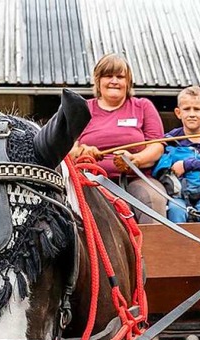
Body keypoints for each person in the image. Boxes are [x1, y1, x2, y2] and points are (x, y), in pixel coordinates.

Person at [71, 54, 166, 223]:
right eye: (108, 76)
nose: (114, 81)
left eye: (120, 77)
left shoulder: (143, 106)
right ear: (98, 81)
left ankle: (154, 249)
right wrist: (82, 152)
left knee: (154, 198)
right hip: (93, 180)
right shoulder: (83, 109)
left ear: (128, 82)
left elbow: (156, 146)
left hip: (137, 178)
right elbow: (68, 149)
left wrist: (135, 159)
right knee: (112, 208)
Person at [155, 86, 200, 223]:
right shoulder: (171, 138)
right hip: (178, 194)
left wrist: (186, 165)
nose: (192, 114)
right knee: (175, 210)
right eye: (187, 109)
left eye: (197, 109)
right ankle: (178, 244)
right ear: (178, 112)